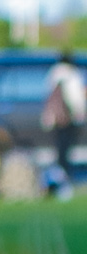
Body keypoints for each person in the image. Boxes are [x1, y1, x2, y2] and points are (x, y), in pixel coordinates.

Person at [40, 49, 82, 186]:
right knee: (66, 150)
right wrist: (79, 114)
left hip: (54, 119)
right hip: (68, 118)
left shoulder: (52, 74)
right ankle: (64, 177)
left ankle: (57, 176)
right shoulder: (72, 74)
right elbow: (76, 99)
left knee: (58, 149)